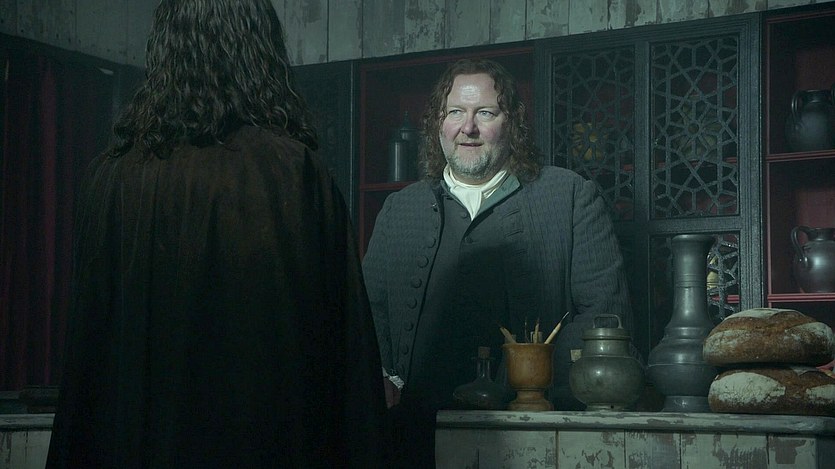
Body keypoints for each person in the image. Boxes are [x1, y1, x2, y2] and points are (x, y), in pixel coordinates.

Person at [46, 1, 388, 467]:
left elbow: (88, 366)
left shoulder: (109, 176)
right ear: (259, 50)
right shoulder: (290, 171)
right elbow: (344, 359)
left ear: (165, 51)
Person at [362, 58, 635, 467]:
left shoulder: (570, 196)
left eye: (485, 113)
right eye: (456, 112)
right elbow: (369, 313)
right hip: (412, 435)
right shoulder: (399, 209)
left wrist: (532, 383)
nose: (468, 127)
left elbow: (604, 314)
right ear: (439, 123)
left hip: (534, 437)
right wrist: (385, 377)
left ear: (513, 122)